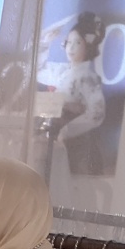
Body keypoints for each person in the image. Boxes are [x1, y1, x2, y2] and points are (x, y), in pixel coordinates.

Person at [38, 11, 108, 174]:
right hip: (55, 140)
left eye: (77, 42)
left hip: (77, 145)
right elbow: (38, 70)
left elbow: (97, 114)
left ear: (88, 46)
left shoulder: (88, 77)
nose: (71, 47)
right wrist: (46, 43)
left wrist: (66, 130)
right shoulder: (62, 71)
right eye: (69, 42)